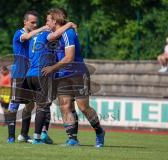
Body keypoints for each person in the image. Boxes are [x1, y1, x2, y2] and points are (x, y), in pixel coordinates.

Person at [42, 8, 105, 147]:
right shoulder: (54, 34)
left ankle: (99, 132)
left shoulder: (68, 33)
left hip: (77, 74)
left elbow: (69, 57)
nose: (46, 23)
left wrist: (52, 68)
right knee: (65, 106)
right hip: (62, 75)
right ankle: (72, 139)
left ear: (55, 20)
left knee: (83, 107)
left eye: (48, 20)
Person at [23, 20, 77, 144]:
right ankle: (37, 137)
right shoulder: (46, 34)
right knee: (43, 107)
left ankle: (38, 134)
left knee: (40, 106)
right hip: (41, 74)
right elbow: (55, 35)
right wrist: (68, 25)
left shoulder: (33, 37)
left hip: (30, 74)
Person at [8, 10, 50, 144]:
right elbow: (25, 37)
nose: (35, 24)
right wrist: (43, 28)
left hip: (30, 74)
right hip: (19, 74)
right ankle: (10, 137)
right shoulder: (20, 33)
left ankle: (24, 134)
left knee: (30, 106)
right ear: (25, 22)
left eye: (36, 22)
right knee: (14, 105)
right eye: (32, 22)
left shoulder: (34, 36)